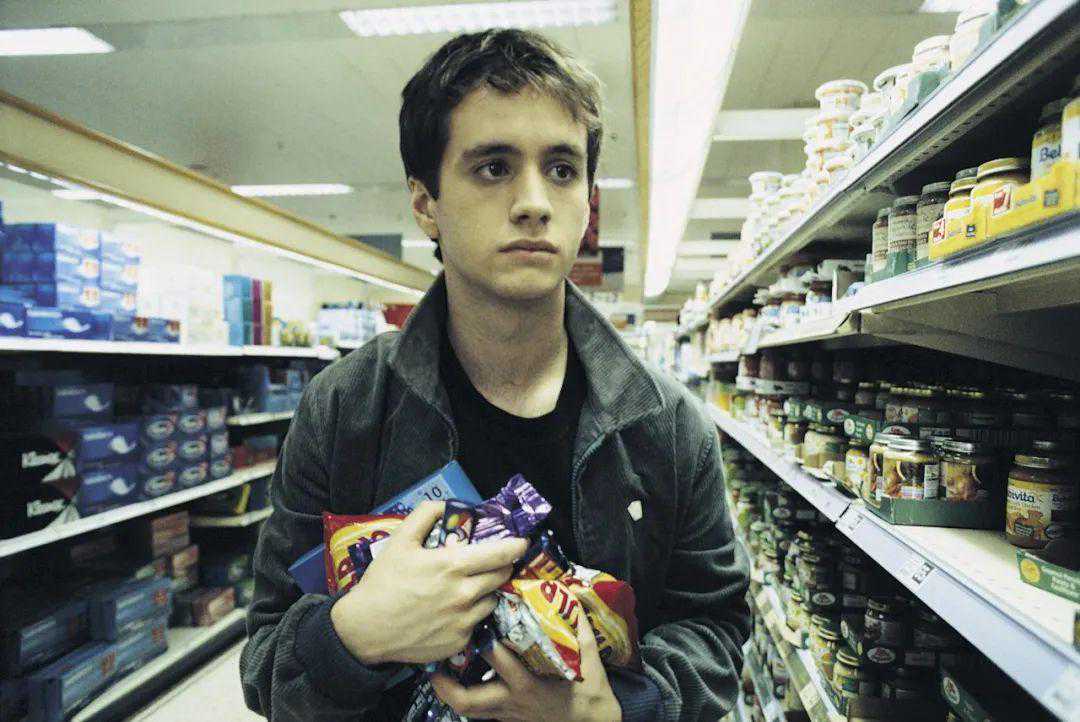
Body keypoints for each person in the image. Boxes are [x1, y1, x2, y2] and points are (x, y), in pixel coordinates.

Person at [240, 28, 750, 722]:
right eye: (493, 167)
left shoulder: (666, 424)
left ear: (588, 202)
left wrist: (613, 710)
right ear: (426, 204)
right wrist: (353, 636)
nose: (534, 201)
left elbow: (717, 628)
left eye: (562, 169)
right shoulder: (344, 408)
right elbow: (264, 664)